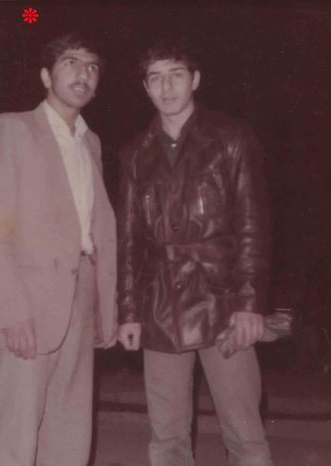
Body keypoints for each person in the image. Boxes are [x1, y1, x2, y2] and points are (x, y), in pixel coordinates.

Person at [117, 36, 274, 466]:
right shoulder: (135, 153)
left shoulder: (231, 137)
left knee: (244, 433)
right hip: (159, 307)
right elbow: (129, 239)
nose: (166, 87)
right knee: (167, 437)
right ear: (145, 87)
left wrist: (249, 304)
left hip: (222, 304)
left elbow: (252, 225)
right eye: (155, 78)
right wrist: (128, 311)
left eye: (176, 75)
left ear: (196, 80)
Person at [0, 31, 117, 466]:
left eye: (92, 67)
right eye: (71, 63)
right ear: (45, 75)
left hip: (82, 295)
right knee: (17, 430)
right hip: (30, 303)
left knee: (71, 425)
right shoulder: (11, 129)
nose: (83, 74)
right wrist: (10, 311)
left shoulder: (91, 143)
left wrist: (104, 307)